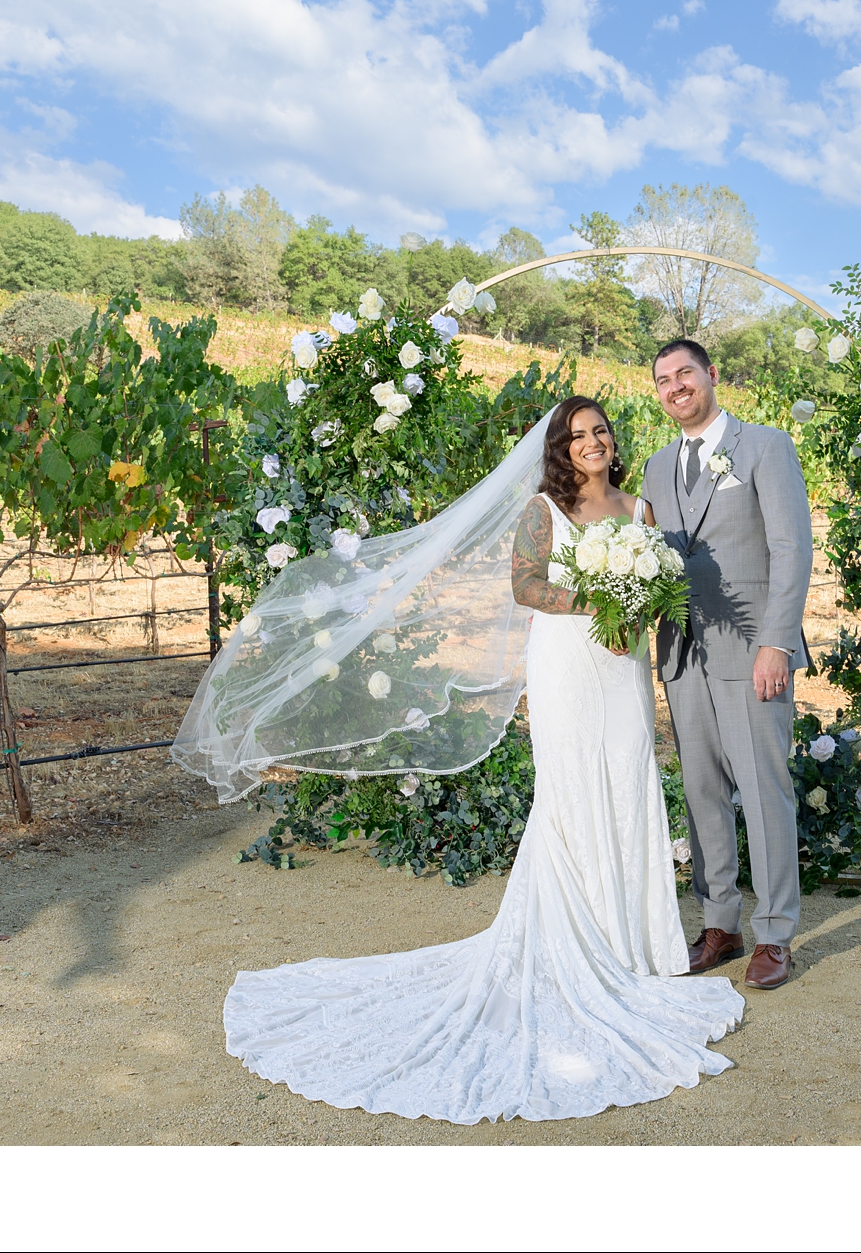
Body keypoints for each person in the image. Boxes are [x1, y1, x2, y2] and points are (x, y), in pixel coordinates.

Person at [207, 397, 743, 1124]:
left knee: (627, 783)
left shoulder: (640, 510)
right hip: (564, 664)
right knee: (571, 793)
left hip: (622, 670)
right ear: (560, 449)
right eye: (578, 436)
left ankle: (634, 945)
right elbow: (523, 585)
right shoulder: (543, 513)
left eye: (601, 431)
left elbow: (653, 592)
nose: (593, 442)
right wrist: (597, 597)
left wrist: (635, 607)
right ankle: (577, 945)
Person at [641, 339, 814, 990]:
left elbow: (791, 548)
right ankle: (722, 923)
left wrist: (778, 642)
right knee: (702, 793)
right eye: (663, 380)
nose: (675, 386)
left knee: (765, 793)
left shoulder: (765, 447)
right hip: (683, 654)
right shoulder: (658, 468)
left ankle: (775, 933)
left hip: (753, 653)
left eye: (685, 373)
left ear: (711, 376)